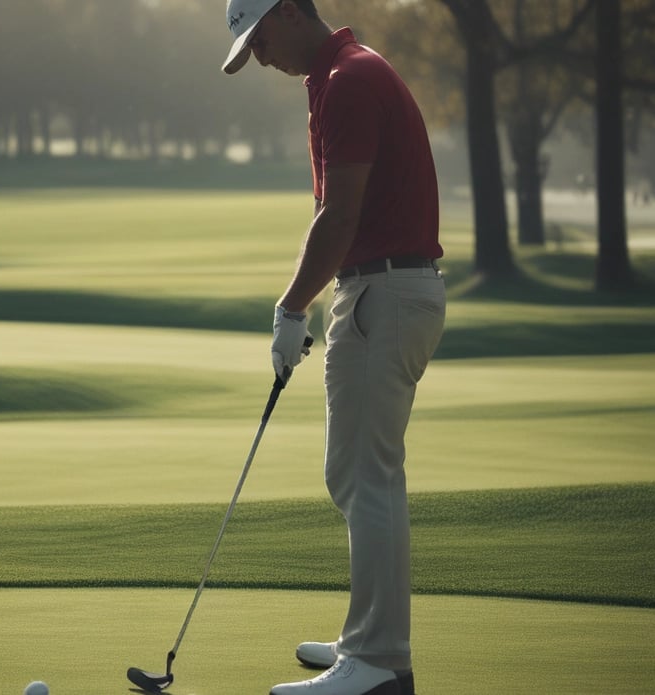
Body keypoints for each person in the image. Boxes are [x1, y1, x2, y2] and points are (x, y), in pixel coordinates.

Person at [221, 2, 447, 694]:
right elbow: (341, 218)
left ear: (291, 11)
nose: (259, 57)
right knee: (353, 471)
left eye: (259, 40)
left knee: (369, 474)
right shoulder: (333, 78)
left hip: (389, 290)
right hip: (375, 290)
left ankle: (379, 661)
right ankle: (366, 640)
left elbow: (339, 216)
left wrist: (292, 308)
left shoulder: (349, 78)